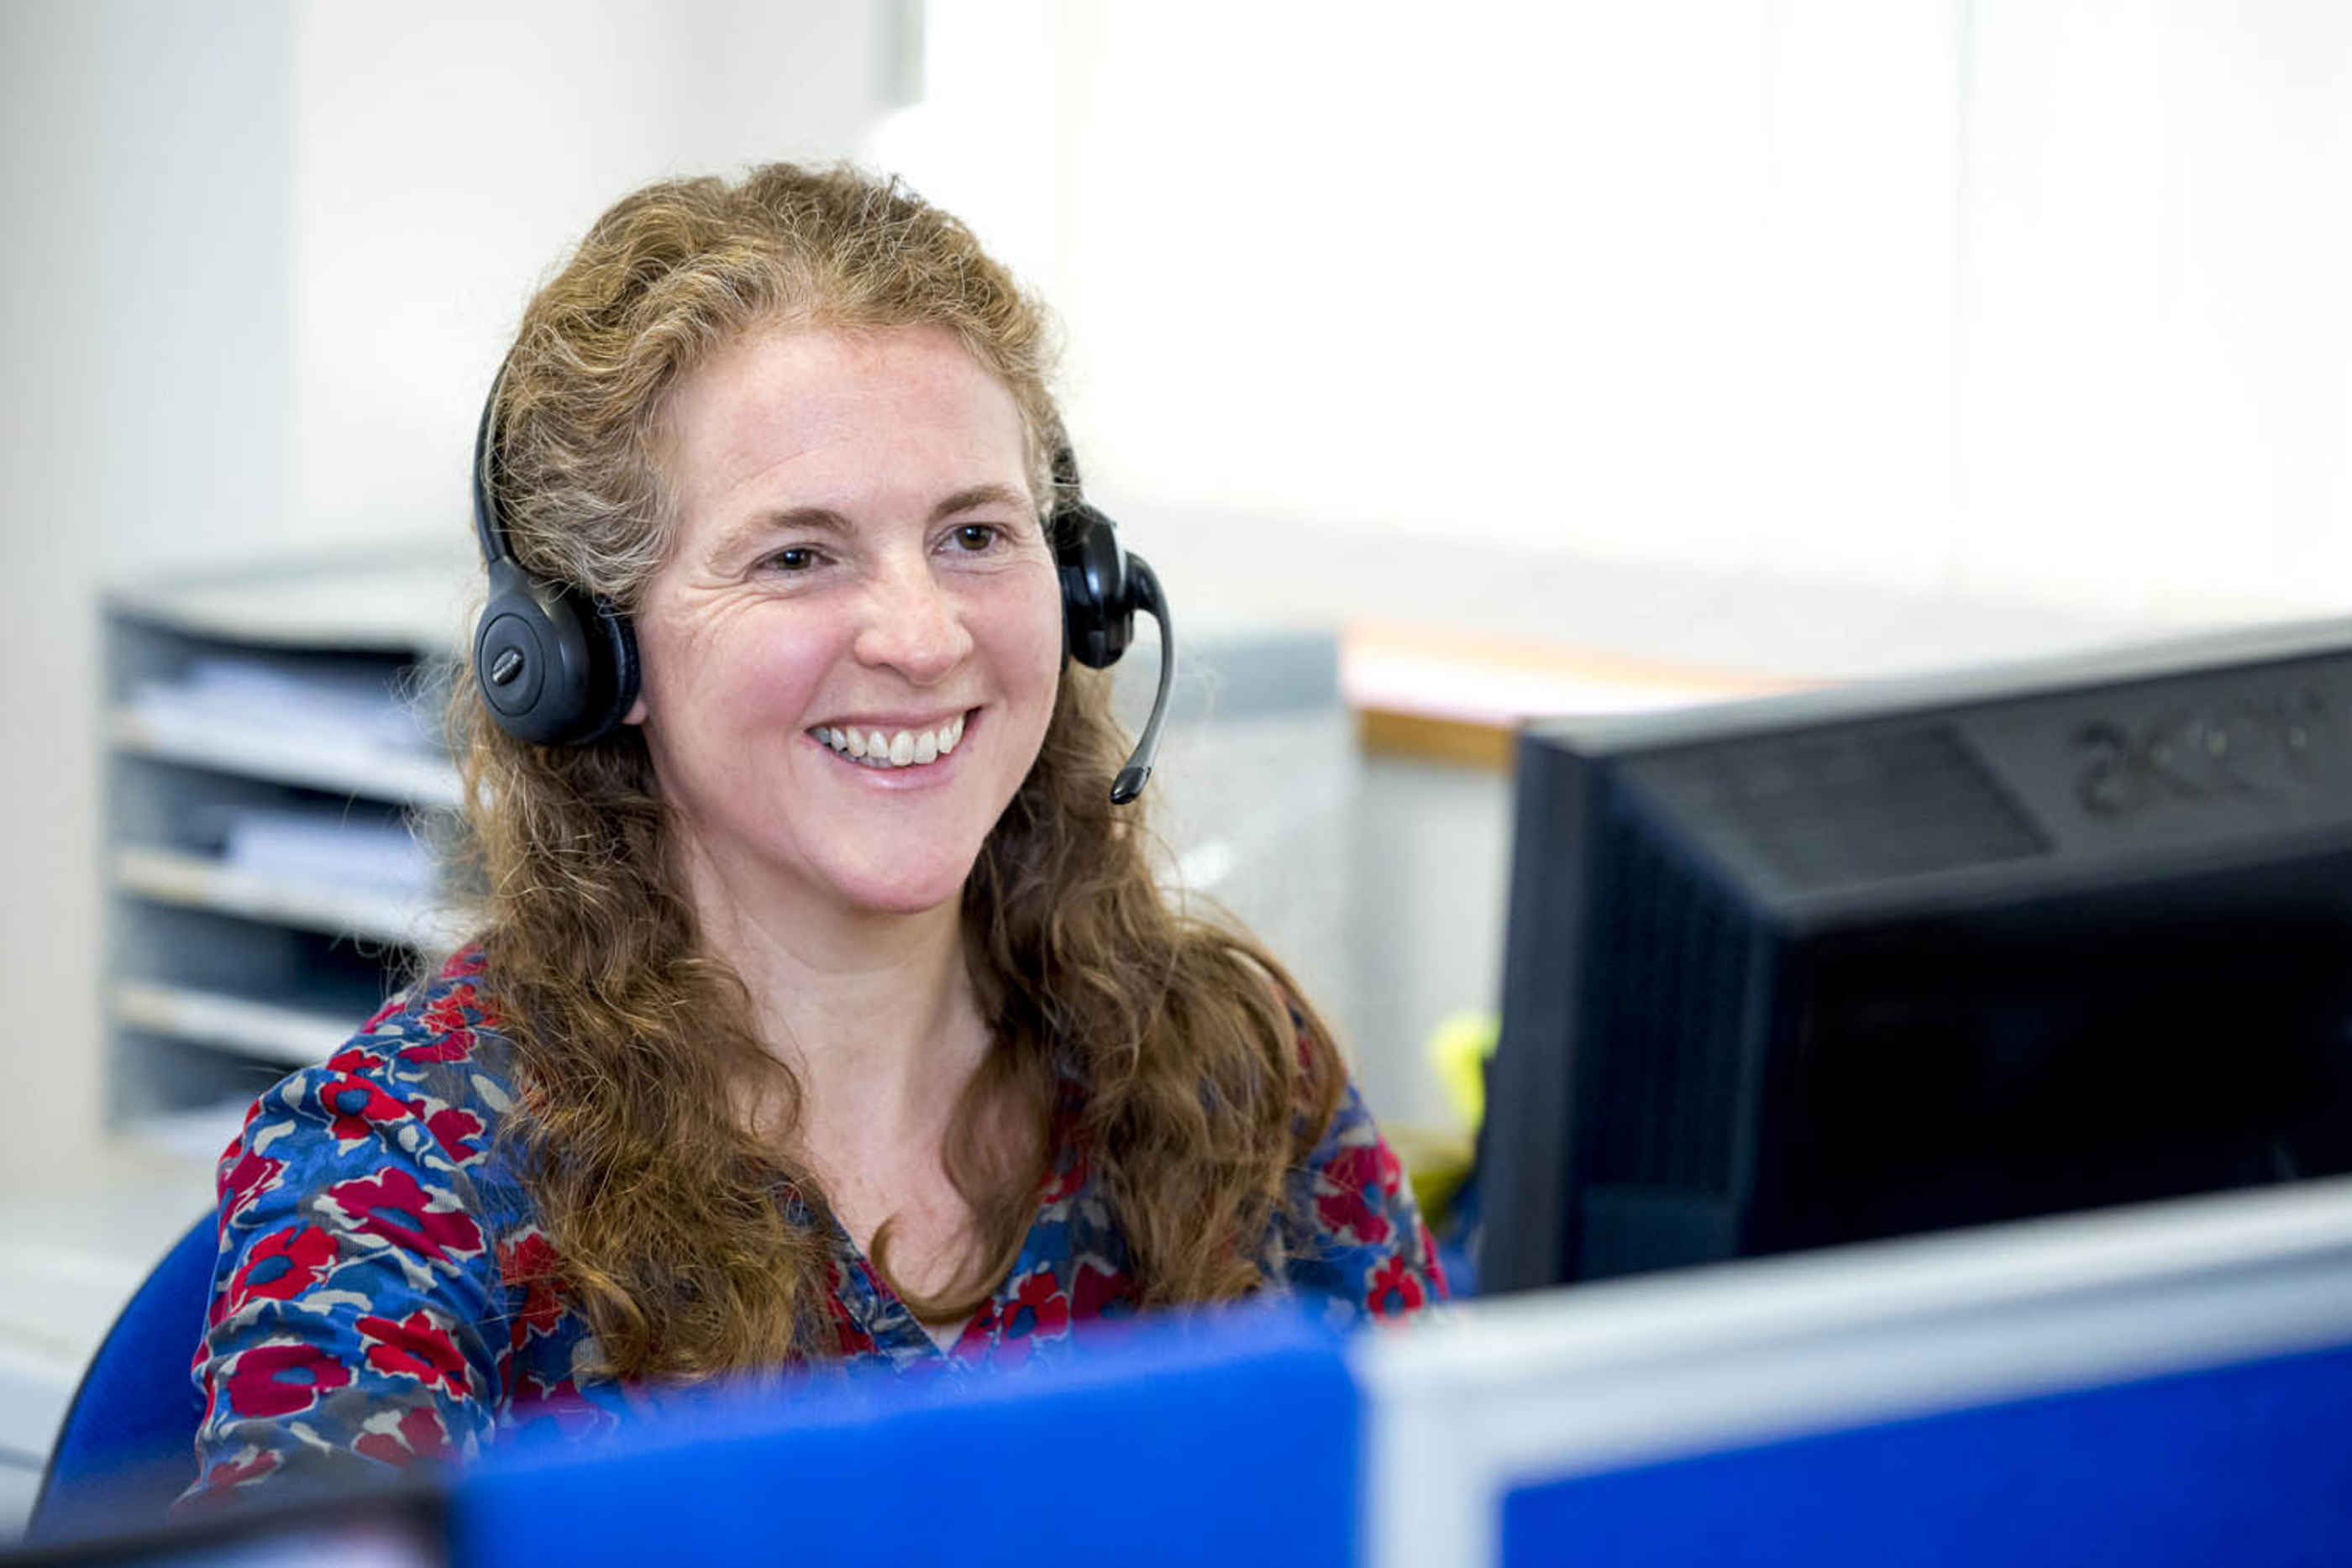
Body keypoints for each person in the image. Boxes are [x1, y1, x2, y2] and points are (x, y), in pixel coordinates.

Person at [185, 162, 1445, 1503]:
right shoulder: (405, 1170)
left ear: (1080, 590)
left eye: (974, 534)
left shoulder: (1228, 1075)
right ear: (591, 655)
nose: (920, 635)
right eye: (798, 556)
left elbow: (1461, 1512)